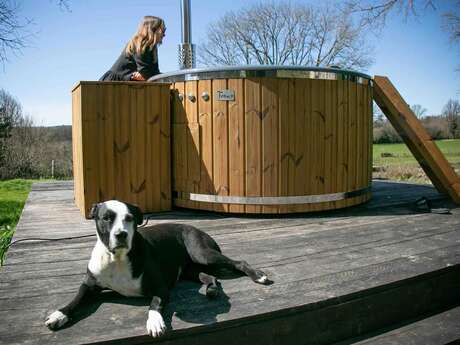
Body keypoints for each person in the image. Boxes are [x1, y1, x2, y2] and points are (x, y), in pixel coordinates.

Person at [100, 16, 165, 81]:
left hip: (125, 83)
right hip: (112, 83)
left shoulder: (152, 47)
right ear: (152, 30)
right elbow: (145, 72)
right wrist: (145, 75)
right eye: (162, 31)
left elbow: (153, 72)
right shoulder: (140, 44)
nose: (164, 34)